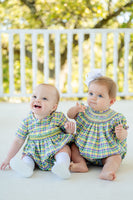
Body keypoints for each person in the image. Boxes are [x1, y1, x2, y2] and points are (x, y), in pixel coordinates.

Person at [0, 83, 75, 179]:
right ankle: (26, 167)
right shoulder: (27, 122)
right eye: (34, 96)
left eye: (44, 99)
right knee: (27, 156)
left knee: (64, 149)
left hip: (55, 149)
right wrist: (8, 158)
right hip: (35, 153)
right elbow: (18, 140)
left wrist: (69, 130)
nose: (37, 100)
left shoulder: (58, 117)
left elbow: (67, 133)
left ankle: (62, 166)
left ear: (53, 107)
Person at [67, 70, 128, 181]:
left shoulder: (115, 118)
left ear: (111, 101)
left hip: (106, 153)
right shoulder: (83, 110)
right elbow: (70, 115)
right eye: (91, 93)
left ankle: (107, 170)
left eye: (100, 95)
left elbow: (123, 136)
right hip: (83, 149)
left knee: (116, 157)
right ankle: (81, 164)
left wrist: (121, 133)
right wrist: (75, 109)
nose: (93, 98)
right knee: (73, 147)